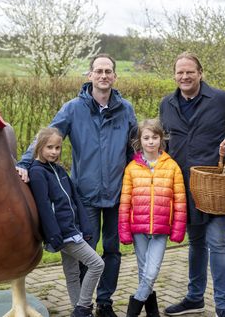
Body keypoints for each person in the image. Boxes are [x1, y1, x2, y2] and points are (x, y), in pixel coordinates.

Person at [16, 53, 137, 317]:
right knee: (87, 251)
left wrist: (146, 172)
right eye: (99, 71)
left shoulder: (125, 109)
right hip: (85, 195)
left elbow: (133, 148)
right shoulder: (73, 108)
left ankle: (104, 302)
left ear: (115, 77)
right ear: (90, 75)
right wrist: (24, 163)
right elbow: (46, 136)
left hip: (117, 194)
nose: (103, 76)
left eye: (108, 71)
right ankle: (84, 304)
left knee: (113, 250)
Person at [159, 52, 225, 317]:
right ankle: (195, 298)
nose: (184, 77)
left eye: (190, 72)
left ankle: (222, 307)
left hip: (215, 184)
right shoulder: (167, 103)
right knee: (196, 242)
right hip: (184, 186)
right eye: (180, 72)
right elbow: (164, 140)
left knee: (217, 241)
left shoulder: (221, 99)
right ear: (174, 75)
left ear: (200, 73)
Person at [28, 127, 105, 317]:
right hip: (63, 233)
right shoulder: (37, 172)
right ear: (39, 146)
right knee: (97, 264)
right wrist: (54, 234)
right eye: (50, 147)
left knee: (72, 273)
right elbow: (44, 206)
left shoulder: (59, 170)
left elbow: (75, 199)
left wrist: (85, 226)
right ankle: (83, 306)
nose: (54, 152)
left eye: (58, 148)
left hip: (73, 229)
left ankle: (80, 310)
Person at [118, 119, 187, 317]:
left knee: (151, 271)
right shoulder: (131, 168)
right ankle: (152, 311)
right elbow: (125, 202)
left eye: (154, 137)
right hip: (138, 229)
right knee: (143, 272)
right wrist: (124, 230)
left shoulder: (172, 167)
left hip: (161, 229)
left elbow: (180, 202)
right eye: (146, 138)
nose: (150, 142)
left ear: (161, 139)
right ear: (140, 141)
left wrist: (178, 229)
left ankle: (133, 308)